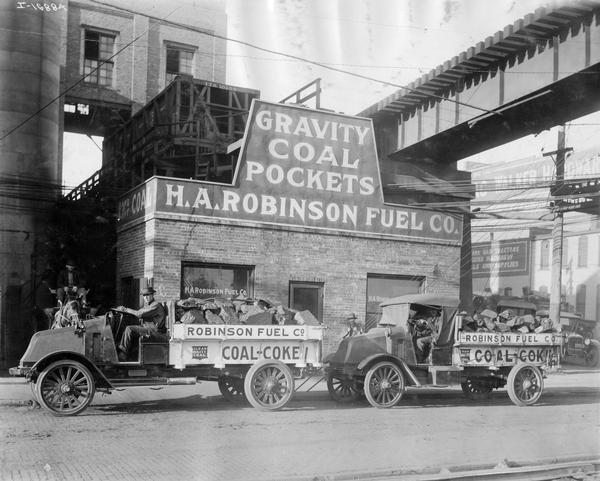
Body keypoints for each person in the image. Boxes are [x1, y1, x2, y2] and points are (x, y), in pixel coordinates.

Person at [116, 287, 167, 361]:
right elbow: (137, 312)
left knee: (129, 329)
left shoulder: (155, 305)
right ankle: (129, 354)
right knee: (129, 328)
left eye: (148, 295)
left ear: (152, 295)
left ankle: (123, 354)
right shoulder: (148, 305)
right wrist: (126, 311)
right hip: (148, 328)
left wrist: (125, 309)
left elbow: (139, 314)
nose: (146, 297)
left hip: (154, 331)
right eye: (144, 295)